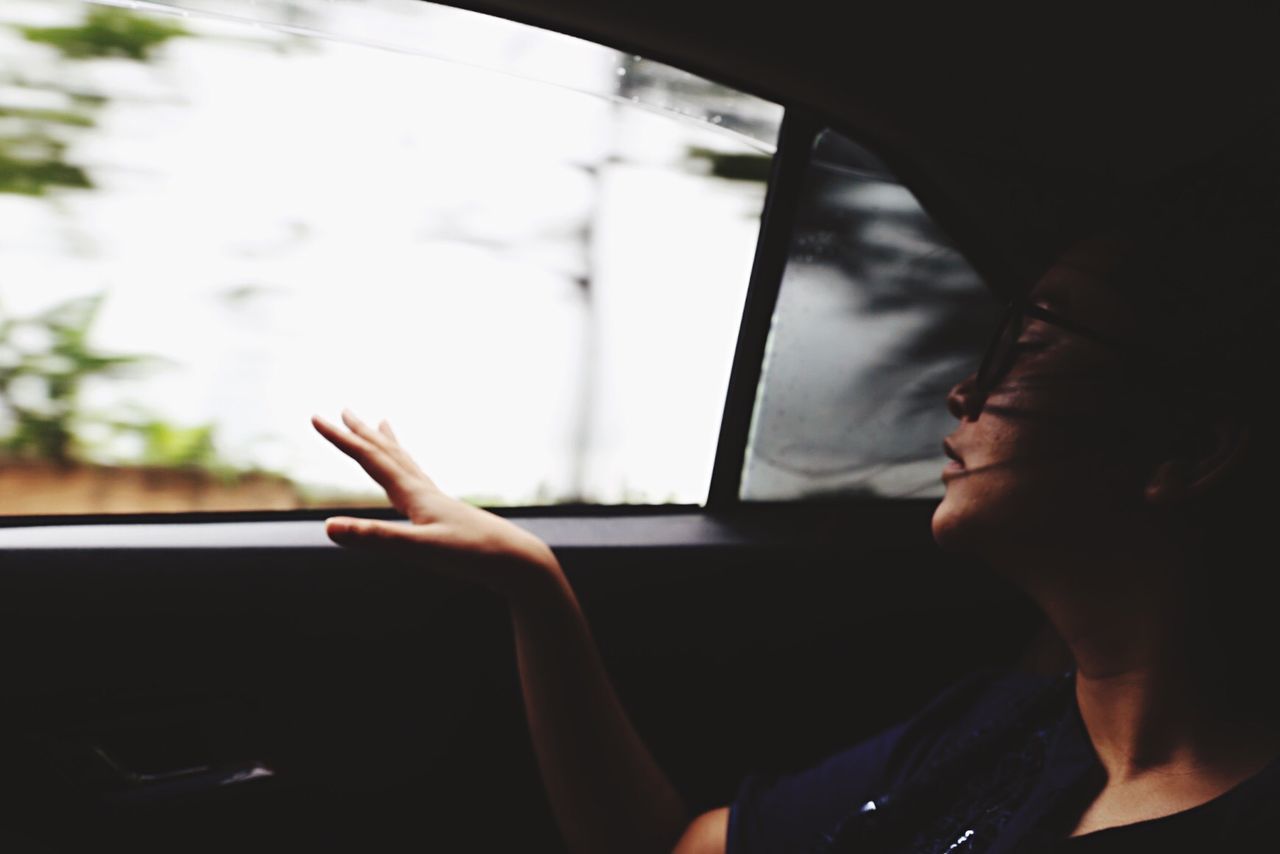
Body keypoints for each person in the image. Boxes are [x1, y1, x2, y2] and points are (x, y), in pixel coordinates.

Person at [310, 201, 1280, 852]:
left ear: (1189, 449)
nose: (962, 387)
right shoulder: (991, 732)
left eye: (1028, 345)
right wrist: (536, 587)